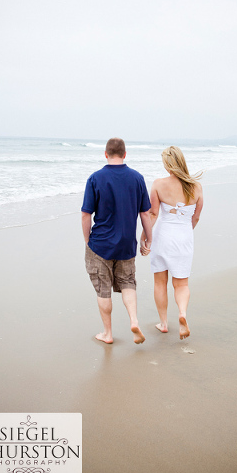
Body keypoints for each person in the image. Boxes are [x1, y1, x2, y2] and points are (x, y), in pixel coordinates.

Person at [81, 137, 153, 344]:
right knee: (128, 282)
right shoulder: (137, 178)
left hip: (100, 245)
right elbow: (145, 213)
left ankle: (108, 333)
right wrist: (148, 239)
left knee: (103, 289)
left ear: (105, 154)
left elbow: (86, 214)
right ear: (124, 154)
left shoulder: (95, 178)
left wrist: (88, 241)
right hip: (126, 244)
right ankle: (134, 320)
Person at [140, 146, 203, 340]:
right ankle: (182, 314)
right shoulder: (196, 187)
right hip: (184, 237)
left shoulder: (159, 184)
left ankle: (164, 323)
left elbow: (153, 214)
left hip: (163, 236)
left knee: (160, 282)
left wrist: (144, 238)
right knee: (181, 283)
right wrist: (184, 233)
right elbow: (196, 218)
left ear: (167, 164)